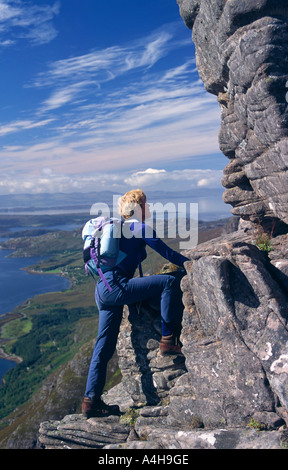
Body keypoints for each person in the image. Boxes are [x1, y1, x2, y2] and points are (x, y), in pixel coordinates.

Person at [82, 189, 189, 418]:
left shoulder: (119, 229)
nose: (149, 209)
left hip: (102, 290)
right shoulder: (138, 228)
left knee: (103, 347)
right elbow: (168, 253)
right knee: (169, 282)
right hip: (117, 288)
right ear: (139, 207)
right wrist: (194, 264)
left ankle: (91, 401)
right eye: (146, 204)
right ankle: (168, 339)